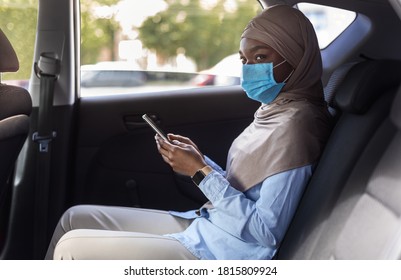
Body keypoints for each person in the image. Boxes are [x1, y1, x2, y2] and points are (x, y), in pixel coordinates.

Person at [45, 5, 333, 260]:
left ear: (296, 57)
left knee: (71, 248)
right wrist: (201, 163)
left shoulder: (297, 127)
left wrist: (199, 173)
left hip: (225, 253)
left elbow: (265, 232)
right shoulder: (274, 111)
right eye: (244, 60)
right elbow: (248, 186)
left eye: (260, 57)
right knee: (73, 219)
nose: (249, 70)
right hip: (210, 225)